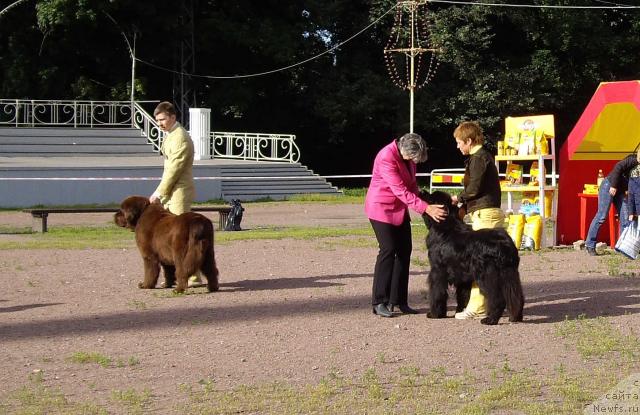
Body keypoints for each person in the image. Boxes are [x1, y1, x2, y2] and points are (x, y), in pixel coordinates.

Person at [365, 133, 446, 318]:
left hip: (399, 209)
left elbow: (412, 186)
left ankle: (399, 300)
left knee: (404, 251)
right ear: (404, 150)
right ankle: (379, 301)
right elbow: (400, 190)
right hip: (381, 208)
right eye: (413, 158)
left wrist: (423, 202)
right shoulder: (386, 156)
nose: (414, 161)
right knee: (387, 249)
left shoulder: (408, 159)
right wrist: (426, 208)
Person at [450, 121, 505, 320]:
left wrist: (458, 198)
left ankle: (477, 307)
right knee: (494, 263)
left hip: (485, 214)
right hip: (487, 212)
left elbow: (474, 188)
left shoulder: (478, 158)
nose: (457, 146)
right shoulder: (483, 157)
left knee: (481, 263)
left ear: (469, 141)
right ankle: (497, 302)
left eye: (459, 142)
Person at [149, 101, 198, 286]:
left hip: (179, 193)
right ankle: (179, 276)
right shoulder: (171, 135)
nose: (159, 123)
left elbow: (174, 170)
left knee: (181, 237)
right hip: (171, 192)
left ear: (173, 117)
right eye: (157, 120)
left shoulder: (180, 137)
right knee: (172, 237)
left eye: (162, 120)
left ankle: (191, 276)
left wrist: (158, 192)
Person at [585, 148, 640, 255]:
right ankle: (590, 244)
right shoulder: (632, 160)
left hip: (621, 191)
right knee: (601, 216)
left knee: (625, 219)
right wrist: (613, 186)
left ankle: (623, 248)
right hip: (609, 185)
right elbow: (618, 167)